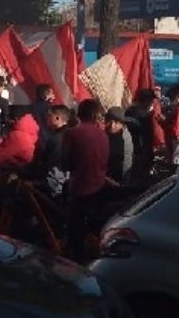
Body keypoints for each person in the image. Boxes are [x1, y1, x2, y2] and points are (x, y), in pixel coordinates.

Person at [62, 99, 109, 263]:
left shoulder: (72, 133)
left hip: (80, 187)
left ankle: (74, 258)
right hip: (100, 185)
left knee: (75, 227)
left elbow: (65, 163)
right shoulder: (103, 134)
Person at [36, 105, 71, 199]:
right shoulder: (69, 134)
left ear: (57, 118)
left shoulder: (58, 138)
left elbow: (50, 163)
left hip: (56, 183)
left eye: (49, 116)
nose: (47, 119)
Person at [104, 106, 134, 185]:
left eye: (116, 122)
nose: (112, 125)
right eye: (109, 121)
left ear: (123, 125)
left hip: (116, 183)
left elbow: (126, 166)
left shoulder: (124, 140)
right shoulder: (106, 134)